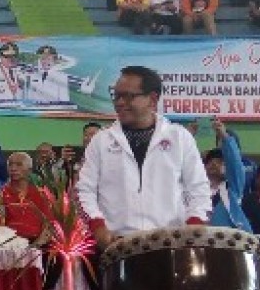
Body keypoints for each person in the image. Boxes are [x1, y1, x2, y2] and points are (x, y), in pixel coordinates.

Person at [77, 66, 212, 249]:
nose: (120, 102)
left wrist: (194, 225)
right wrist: (98, 227)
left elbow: (199, 190)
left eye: (129, 96)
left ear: (153, 99)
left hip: (170, 245)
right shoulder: (101, 141)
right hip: (117, 247)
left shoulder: (179, 138)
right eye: (116, 96)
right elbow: (84, 191)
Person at [0, 152, 51, 243]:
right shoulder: (1, 195)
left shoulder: (41, 194)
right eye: (10, 165)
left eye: (19, 165)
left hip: (38, 244)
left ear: (29, 170)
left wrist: (36, 245)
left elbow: (48, 224)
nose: (13, 168)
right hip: (9, 244)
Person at [204, 119, 250, 231]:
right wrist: (188, 136)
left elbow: (235, 163)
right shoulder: (194, 190)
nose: (214, 163)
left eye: (220, 161)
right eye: (210, 161)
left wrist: (224, 136)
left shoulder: (233, 189)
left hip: (228, 243)